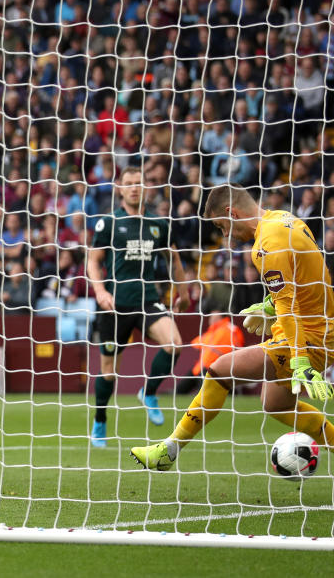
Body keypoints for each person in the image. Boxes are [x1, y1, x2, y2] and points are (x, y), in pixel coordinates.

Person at [132, 186, 334, 470]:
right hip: (319, 330)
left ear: (231, 213)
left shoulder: (265, 245)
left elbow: (289, 307)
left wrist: (300, 359)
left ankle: (169, 450)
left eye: (221, 226)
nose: (225, 235)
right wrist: (268, 305)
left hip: (306, 337)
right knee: (275, 404)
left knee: (219, 370)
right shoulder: (285, 219)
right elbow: (305, 275)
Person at [87, 166, 190, 447]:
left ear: (147, 188)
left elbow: (174, 259)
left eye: (139, 183)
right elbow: (93, 260)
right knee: (109, 371)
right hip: (115, 305)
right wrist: (99, 290)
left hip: (147, 300)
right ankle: (99, 421)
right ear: (120, 188)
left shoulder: (158, 224)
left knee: (174, 344)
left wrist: (182, 291)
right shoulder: (107, 224)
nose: (134, 188)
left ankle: (150, 391)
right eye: (129, 183)